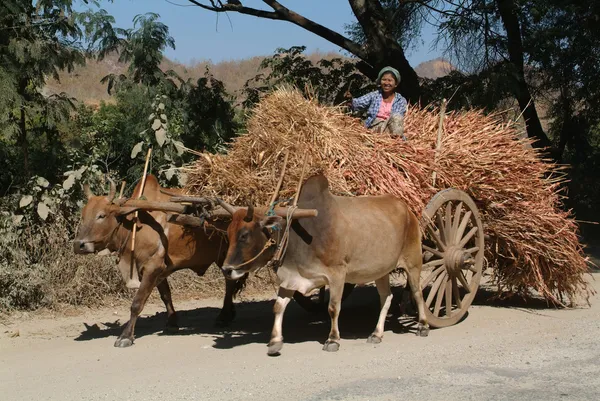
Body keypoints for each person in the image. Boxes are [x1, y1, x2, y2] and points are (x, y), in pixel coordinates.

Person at [346, 66, 407, 139]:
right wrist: (350, 100)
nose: (386, 83)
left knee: (397, 117)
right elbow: (358, 103)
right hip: (374, 128)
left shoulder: (400, 100)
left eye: (390, 80)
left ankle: (396, 141)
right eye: (384, 80)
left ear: (396, 84)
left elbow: (396, 118)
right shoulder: (374, 95)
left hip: (389, 129)